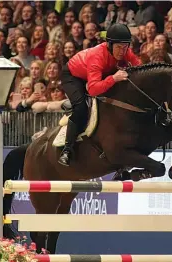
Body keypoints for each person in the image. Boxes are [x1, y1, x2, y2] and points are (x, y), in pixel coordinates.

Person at [58, 23, 141, 166]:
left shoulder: (126, 51)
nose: (122, 51)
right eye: (119, 47)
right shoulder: (97, 57)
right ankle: (67, 149)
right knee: (81, 108)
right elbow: (93, 89)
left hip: (95, 75)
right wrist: (113, 78)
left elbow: (140, 70)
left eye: (125, 47)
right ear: (109, 44)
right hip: (73, 76)